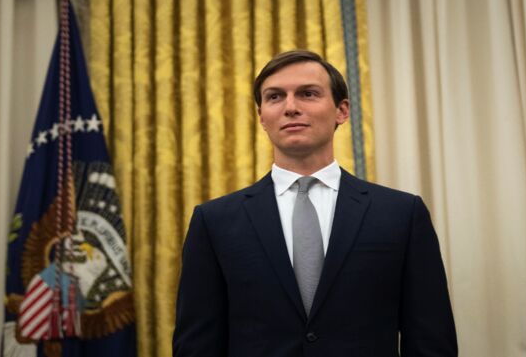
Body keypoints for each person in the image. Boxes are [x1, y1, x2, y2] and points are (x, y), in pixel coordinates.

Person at [173, 50, 457, 357]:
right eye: (275, 97)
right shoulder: (214, 221)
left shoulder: (401, 214)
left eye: (308, 94)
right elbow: (196, 345)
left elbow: (431, 341)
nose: (290, 107)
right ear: (262, 118)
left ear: (342, 110)